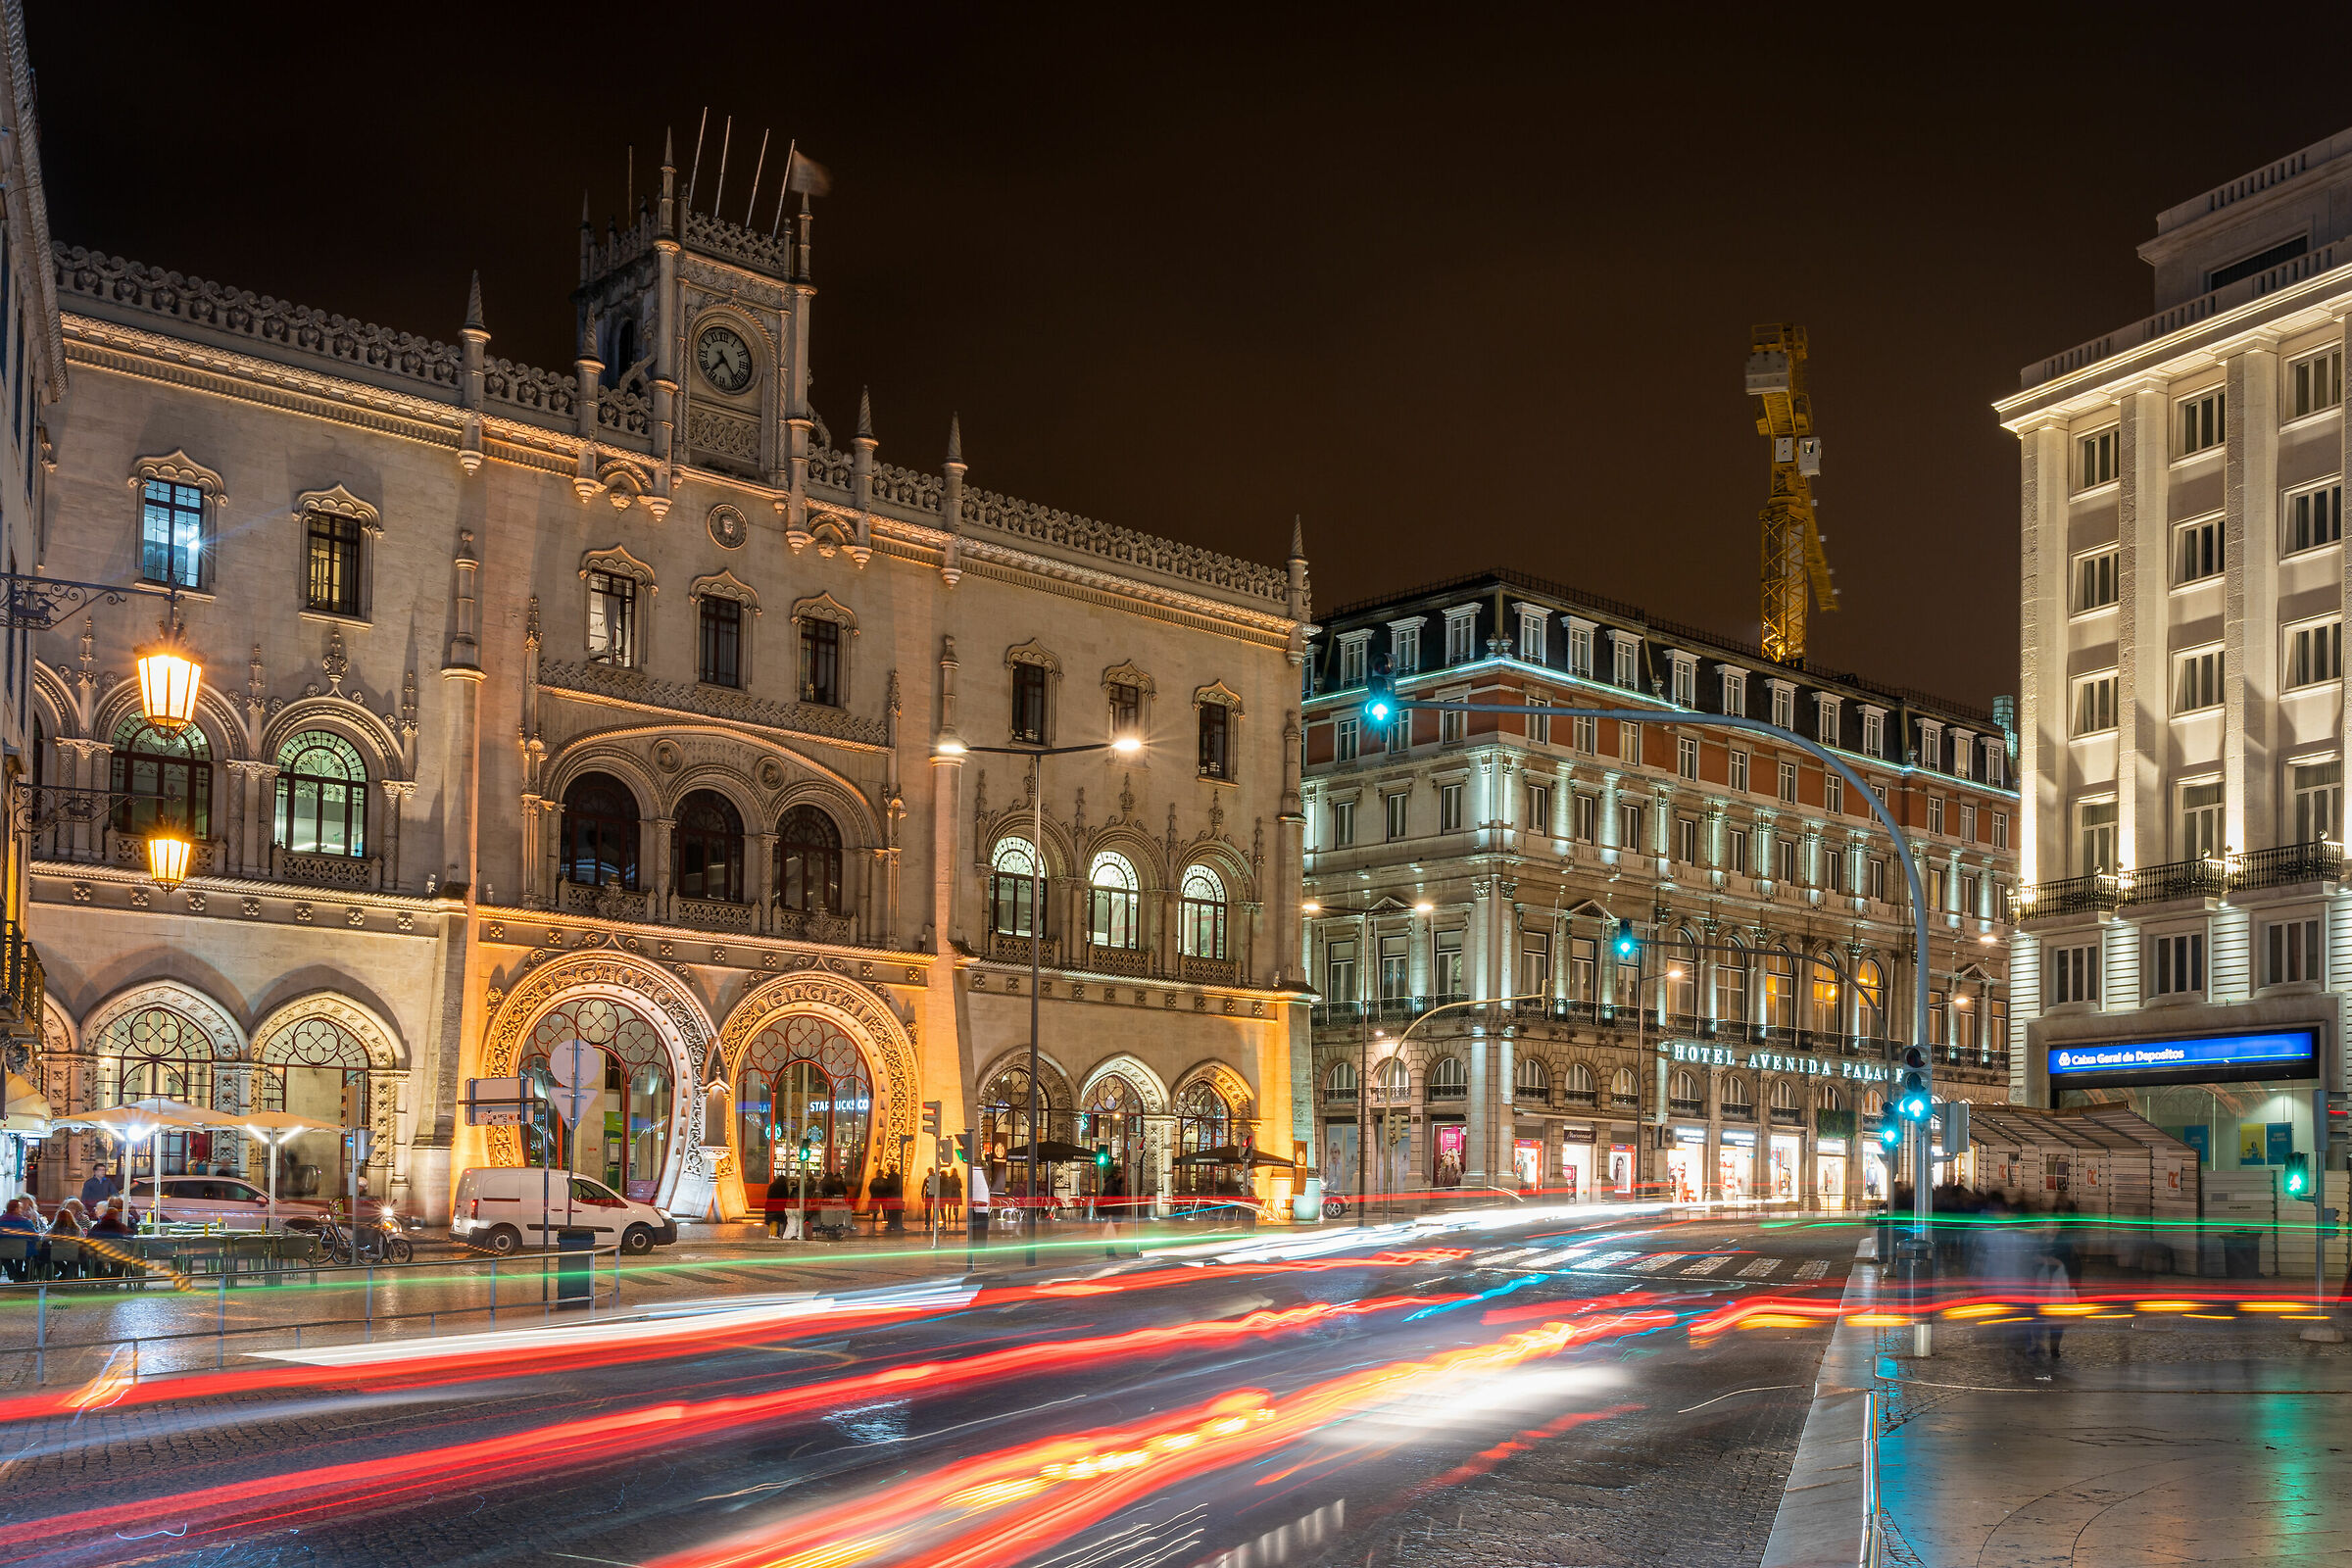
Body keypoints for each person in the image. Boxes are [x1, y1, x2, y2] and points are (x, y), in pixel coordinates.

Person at [0, 1197, 40, 1282]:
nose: (21, 1210)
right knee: (28, 1252)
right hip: (24, 1251)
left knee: (4, 1255)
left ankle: (12, 1273)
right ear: (15, 1209)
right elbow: (36, 1236)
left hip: (4, 1250)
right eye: (20, 1208)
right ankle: (24, 1275)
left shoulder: (1, 1221)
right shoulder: (25, 1222)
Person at [965, 1153, 991, 1262]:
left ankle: (974, 1252)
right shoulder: (984, 1173)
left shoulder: (978, 1173)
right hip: (981, 1208)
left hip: (980, 1209)